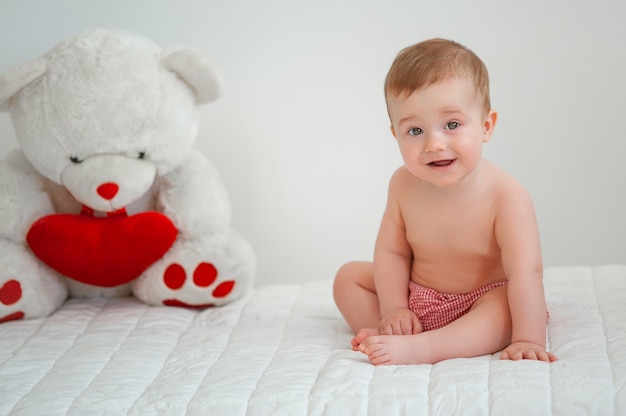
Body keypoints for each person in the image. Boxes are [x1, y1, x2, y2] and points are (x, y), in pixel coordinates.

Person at [333, 38, 558, 366]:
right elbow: (392, 253)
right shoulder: (402, 184)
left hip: (482, 300)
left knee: (505, 304)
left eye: (451, 125)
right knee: (348, 277)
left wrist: (528, 339)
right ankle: (390, 330)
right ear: (396, 135)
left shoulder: (507, 196)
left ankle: (423, 347)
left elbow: (526, 272)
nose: (435, 144)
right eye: (415, 131)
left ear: (486, 126)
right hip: (417, 298)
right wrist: (394, 308)